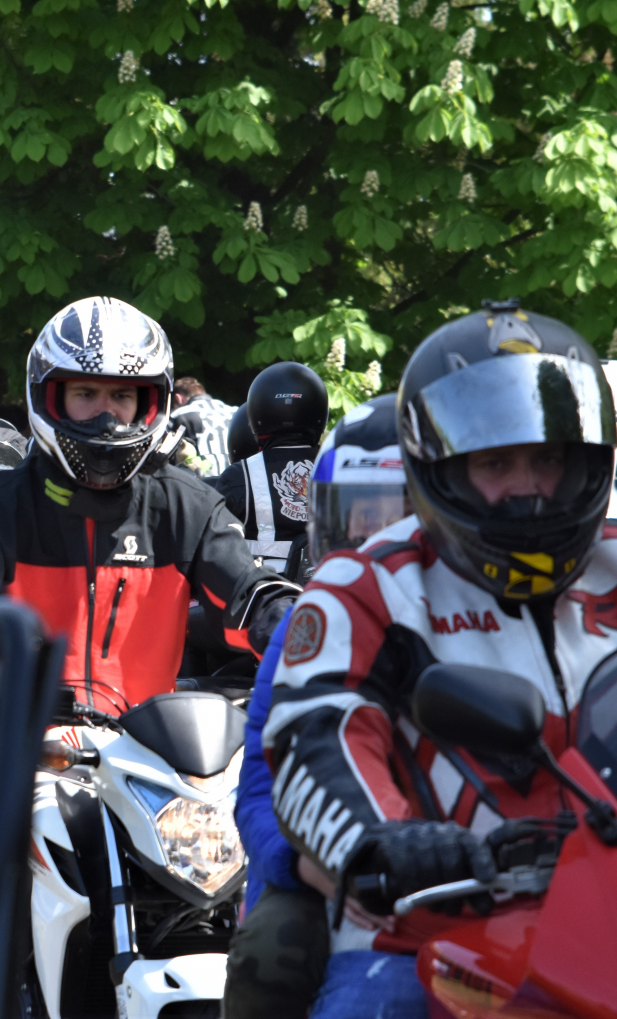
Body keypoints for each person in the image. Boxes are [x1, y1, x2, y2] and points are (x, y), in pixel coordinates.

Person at [263, 303, 617, 1019]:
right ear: (442, 468)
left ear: (585, 460)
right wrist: (381, 842)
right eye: (496, 463)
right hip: (427, 931)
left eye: (547, 459)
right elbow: (319, 737)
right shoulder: (368, 587)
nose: (528, 485)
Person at [0, 296, 295, 1019]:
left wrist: (303, 627)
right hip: (14, 763)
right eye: (85, 393)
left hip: (156, 770)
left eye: (124, 396)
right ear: (48, 397)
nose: (106, 415)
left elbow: (245, 592)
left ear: (153, 403)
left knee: (282, 911)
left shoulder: (187, 505)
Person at [222, 395, 411, 1019]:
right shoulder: (305, 625)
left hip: (466, 869)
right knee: (272, 945)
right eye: (357, 517)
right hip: (335, 869)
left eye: (396, 520)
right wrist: (309, 865)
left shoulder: (482, 615)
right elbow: (258, 790)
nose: (372, 540)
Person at [208, 362, 329, 575]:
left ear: (256, 413)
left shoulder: (239, 476)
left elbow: (212, 548)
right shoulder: (339, 468)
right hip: (331, 588)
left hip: (265, 590)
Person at [170, 375, 235, 477]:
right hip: (240, 479)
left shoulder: (178, 414)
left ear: (179, 398)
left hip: (205, 482)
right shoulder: (234, 411)